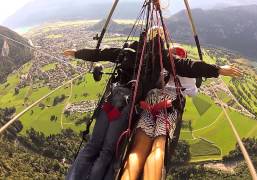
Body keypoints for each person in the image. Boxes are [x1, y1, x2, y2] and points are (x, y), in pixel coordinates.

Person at [64, 27, 241, 180]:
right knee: (111, 152)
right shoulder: (160, 59)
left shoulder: (128, 51)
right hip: (136, 105)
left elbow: (103, 53)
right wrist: (217, 70)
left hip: (115, 101)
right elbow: (188, 66)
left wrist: (78, 53)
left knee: (96, 145)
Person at [120, 45, 241, 180]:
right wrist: (197, 80)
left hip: (151, 102)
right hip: (169, 105)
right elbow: (192, 92)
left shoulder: (160, 65)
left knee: (137, 150)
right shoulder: (186, 74)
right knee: (158, 149)